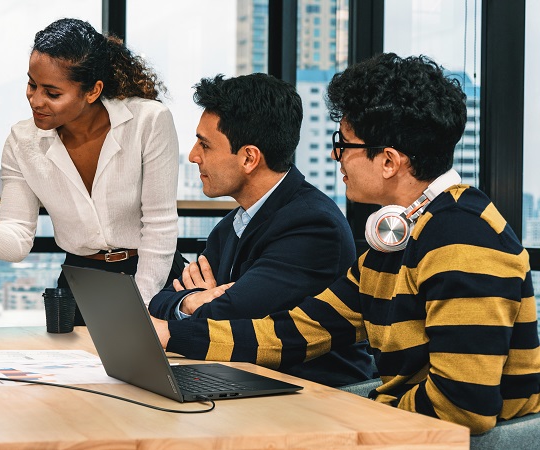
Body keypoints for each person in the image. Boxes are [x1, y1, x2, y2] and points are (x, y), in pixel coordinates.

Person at [152, 53, 540, 434]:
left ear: (388, 160)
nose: (337, 156)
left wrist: (355, 412)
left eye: (345, 144)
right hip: (403, 429)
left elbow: (462, 408)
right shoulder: (396, 240)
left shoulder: (463, 237)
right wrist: (173, 334)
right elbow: (296, 332)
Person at [0, 18, 179, 323]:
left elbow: (159, 225)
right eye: (32, 84)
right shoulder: (22, 142)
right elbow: (17, 238)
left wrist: (141, 308)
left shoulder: (149, 121)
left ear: (93, 91)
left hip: (156, 279)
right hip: (83, 285)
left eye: (52, 93)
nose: (35, 100)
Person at [148, 74, 371, 387]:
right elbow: (161, 300)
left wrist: (195, 303)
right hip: (243, 381)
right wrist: (188, 302)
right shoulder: (231, 226)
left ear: (249, 157)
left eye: (205, 145)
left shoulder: (313, 226)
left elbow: (232, 317)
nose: (193, 156)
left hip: (316, 397)